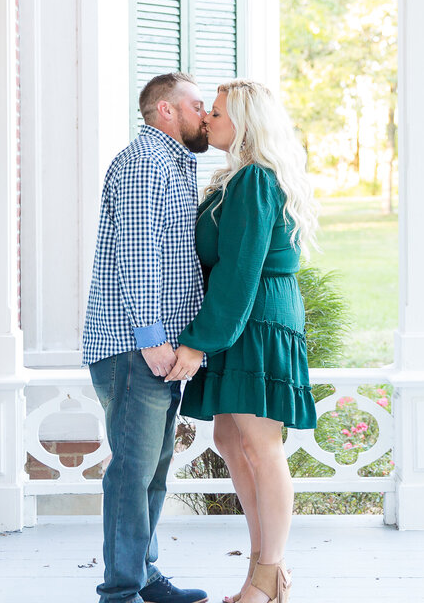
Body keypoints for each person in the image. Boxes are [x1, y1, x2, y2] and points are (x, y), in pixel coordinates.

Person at [165, 79, 319, 603]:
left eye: (218, 112)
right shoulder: (236, 178)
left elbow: (238, 272)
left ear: (246, 124)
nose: (207, 118)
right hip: (239, 320)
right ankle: (262, 571)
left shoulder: (254, 179)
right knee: (231, 442)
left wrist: (197, 341)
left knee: (259, 445)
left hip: (255, 320)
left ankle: (268, 576)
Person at [81, 72, 211, 603]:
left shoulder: (177, 164)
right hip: (135, 348)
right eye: (197, 104)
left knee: (153, 469)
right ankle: (120, 591)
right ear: (165, 111)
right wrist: (154, 338)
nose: (205, 114)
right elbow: (139, 257)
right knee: (132, 473)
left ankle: (145, 575)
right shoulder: (143, 164)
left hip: (158, 347)